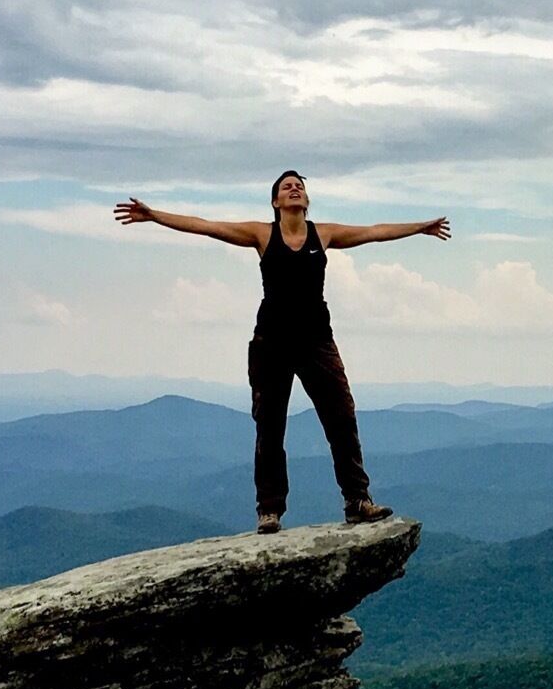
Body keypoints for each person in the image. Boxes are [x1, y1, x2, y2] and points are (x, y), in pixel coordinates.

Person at [114, 171, 449, 533]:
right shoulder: (261, 234)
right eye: (286, 187)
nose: (294, 189)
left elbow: (374, 231)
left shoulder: (325, 234)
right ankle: (269, 510)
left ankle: (357, 501)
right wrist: (155, 215)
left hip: (317, 340)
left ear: (306, 201)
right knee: (270, 425)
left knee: (341, 417)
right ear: (276, 202)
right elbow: (206, 226)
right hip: (271, 342)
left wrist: (419, 227)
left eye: (299, 186)